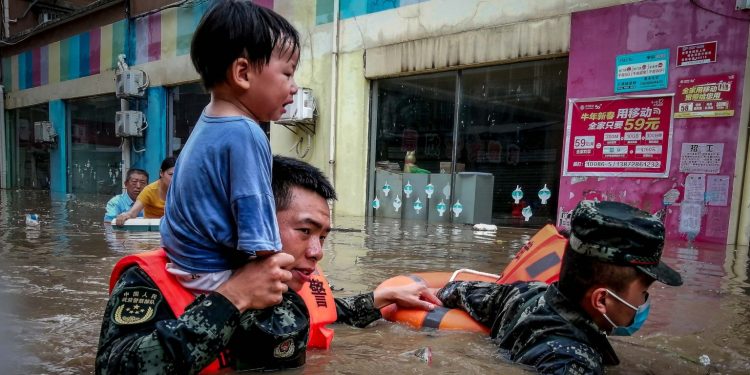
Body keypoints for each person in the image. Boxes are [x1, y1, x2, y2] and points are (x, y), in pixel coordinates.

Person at [96, 156, 440, 374]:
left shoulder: (291, 277)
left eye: (323, 236)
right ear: (251, 219)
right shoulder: (153, 279)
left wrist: (381, 297)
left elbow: (327, 311)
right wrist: (231, 299)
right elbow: (114, 367)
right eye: (305, 231)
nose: (317, 251)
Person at [436, 200, 683, 375]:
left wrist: (434, 293)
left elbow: (457, 290)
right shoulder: (571, 363)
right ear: (601, 301)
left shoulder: (524, 293)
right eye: (643, 293)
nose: (644, 303)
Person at [159, 0, 298, 294]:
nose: (294, 86)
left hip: (184, 266)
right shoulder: (245, 132)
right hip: (214, 274)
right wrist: (284, 267)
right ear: (243, 73)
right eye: (287, 73)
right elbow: (256, 221)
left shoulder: (208, 122)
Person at [115, 157, 175, 225]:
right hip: (151, 231)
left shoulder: (183, 191)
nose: (174, 178)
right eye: (171, 174)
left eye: (178, 174)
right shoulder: (150, 190)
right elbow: (133, 212)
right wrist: (125, 215)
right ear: (161, 173)